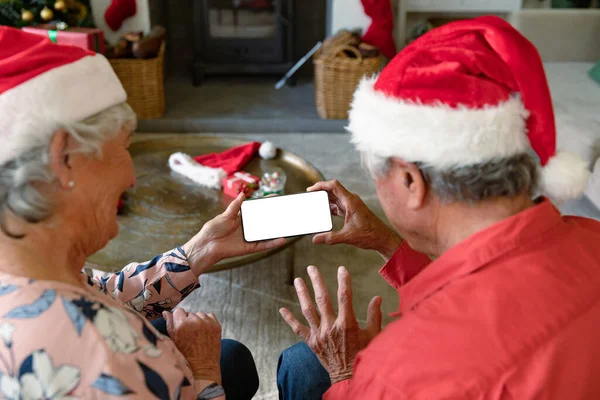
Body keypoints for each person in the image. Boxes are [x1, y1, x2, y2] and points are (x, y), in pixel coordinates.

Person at [277, 16, 600, 400]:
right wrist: (390, 244)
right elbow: (487, 285)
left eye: (376, 173)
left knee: (301, 365)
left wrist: (346, 374)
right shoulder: (588, 233)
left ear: (411, 182)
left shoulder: (402, 372)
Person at [0, 27, 284, 399]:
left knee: (234, 358)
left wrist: (199, 252)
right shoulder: (107, 361)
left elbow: (100, 292)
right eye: (122, 148)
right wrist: (202, 372)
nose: (132, 177)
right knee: (230, 360)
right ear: (64, 158)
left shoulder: (33, 266)